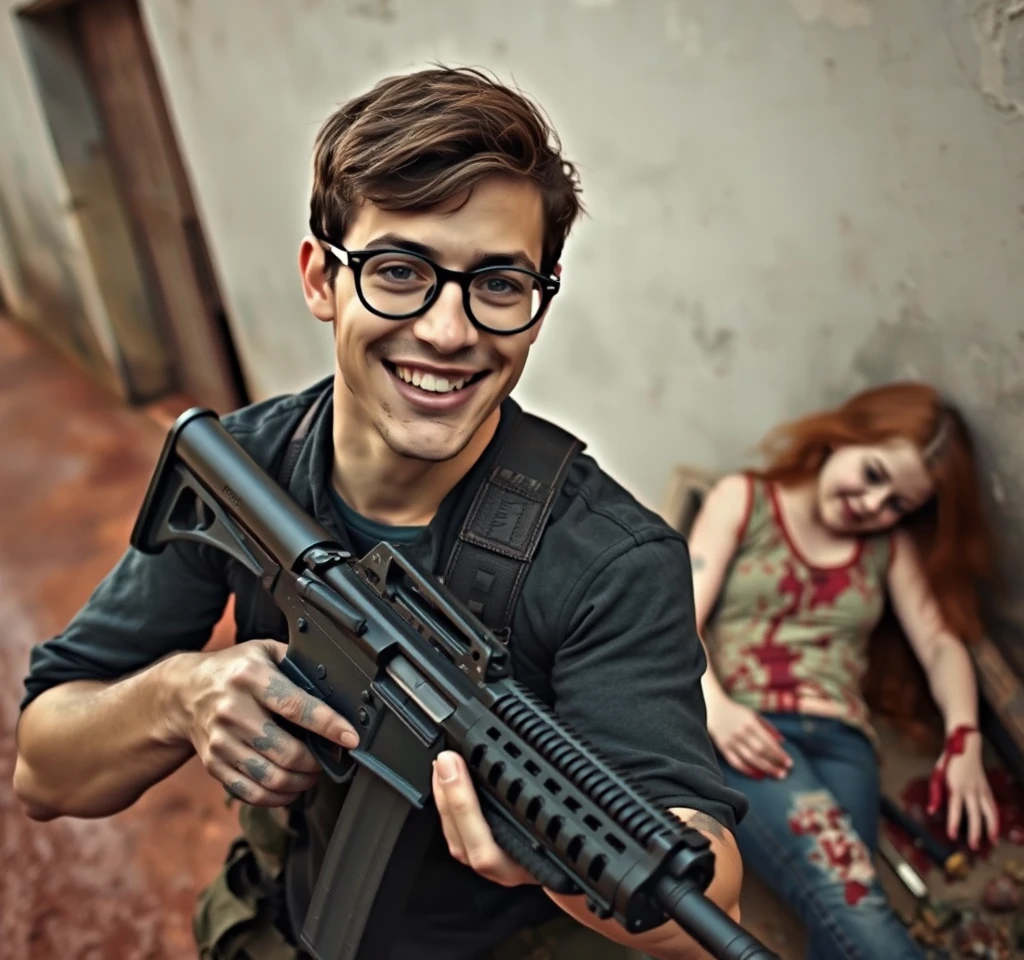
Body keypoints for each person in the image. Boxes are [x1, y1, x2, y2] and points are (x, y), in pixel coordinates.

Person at [14, 65, 746, 960]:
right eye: (399, 271)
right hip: (285, 915)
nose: (447, 330)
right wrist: (179, 696)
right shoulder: (250, 468)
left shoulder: (613, 560)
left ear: (537, 306)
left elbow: (709, 899)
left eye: (499, 285)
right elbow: (44, 768)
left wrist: (549, 854)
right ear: (322, 279)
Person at [688, 381, 1000, 960]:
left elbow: (940, 645)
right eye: (875, 474)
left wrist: (965, 738)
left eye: (898, 503)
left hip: (844, 745)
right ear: (844, 437)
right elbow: (676, 616)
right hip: (751, 734)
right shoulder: (746, 498)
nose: (874, 506)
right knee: (853, 899)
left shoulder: (889, 547)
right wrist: (714, 707)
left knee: (843, 917)